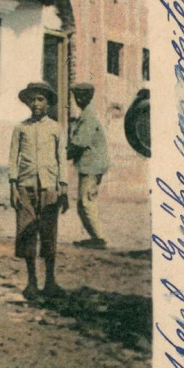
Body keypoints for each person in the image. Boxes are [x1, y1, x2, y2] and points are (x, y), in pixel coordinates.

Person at [9, 81, 68, 299]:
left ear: (48, 103)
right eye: (32, 99)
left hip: (50, 188)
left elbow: (61, 159)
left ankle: (50, 281)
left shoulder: (56, 129)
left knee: (49, 233)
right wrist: (12, 186)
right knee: (26, 233)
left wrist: (63, 187)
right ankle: (31, 282)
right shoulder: (20, 128)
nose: (36, 103)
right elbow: (13, 158)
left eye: (40, 99)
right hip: (25, 187)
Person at [68, 82, 109, 248]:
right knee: (83, 202)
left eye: (82, 96)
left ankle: (98, 239)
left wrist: (61, 155)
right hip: (90, 165)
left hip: (92, 166)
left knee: (86, 202)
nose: (78, 99)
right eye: (76, 96)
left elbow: (79, 143)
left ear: (89, 97)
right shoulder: (86, 115)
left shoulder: (88, 117)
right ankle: (95, 237)